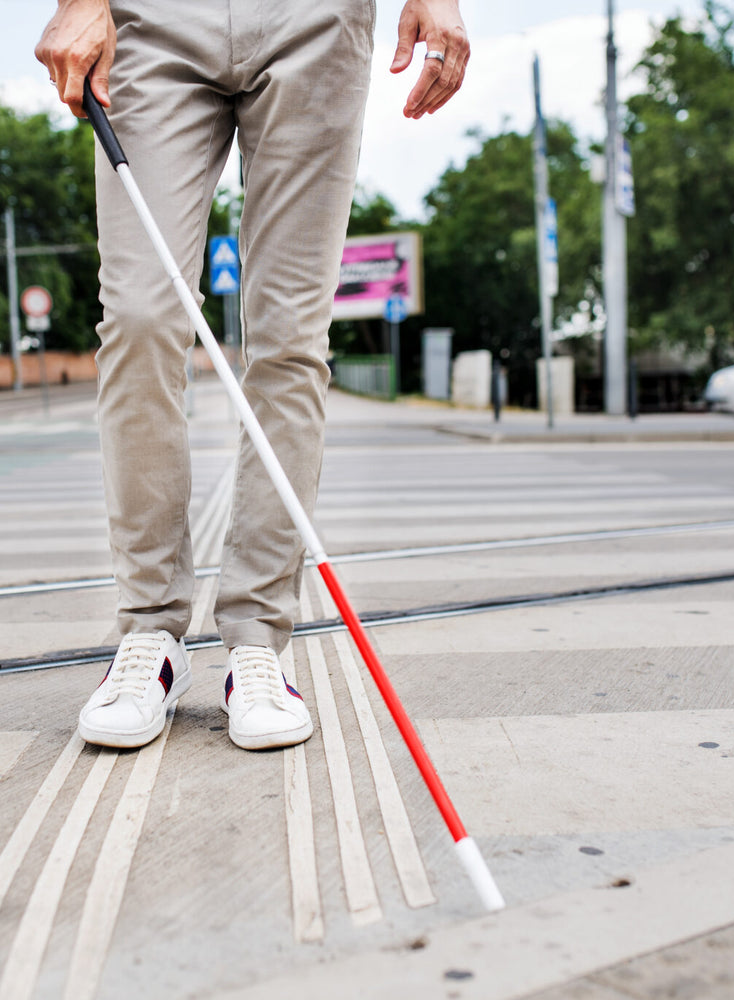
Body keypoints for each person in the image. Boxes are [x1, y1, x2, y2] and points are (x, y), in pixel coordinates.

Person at [36, 0, 468, 751]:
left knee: (290, 338)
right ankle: (150, 635)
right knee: (141, 316)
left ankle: (258, 641)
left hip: (317, 21)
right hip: (154, 18)